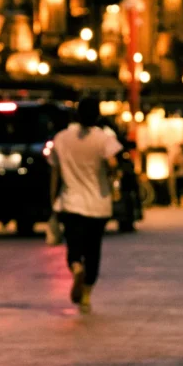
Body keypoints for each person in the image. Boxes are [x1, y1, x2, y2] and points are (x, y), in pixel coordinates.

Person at [49, 99, 122, 314]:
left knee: (74, 244)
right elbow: (113, 164)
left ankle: (76, 267)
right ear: (97, 116)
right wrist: (112, 178)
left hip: (70, 202)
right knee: (93, 249)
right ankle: (87, 295)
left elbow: (55, 172)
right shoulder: (104, 139)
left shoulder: (61, 138)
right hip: (98, 204)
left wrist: (52, 199)